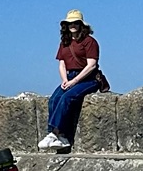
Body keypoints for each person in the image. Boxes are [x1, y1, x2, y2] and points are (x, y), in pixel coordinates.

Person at [39, 13, 105, 150]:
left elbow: (91, 65)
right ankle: (61, 136)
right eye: (70, 23)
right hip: (69, 77)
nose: (73, 25)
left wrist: (74, 81)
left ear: (81, 25)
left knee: (68, 97)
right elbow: (62, 64)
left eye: (75, 23)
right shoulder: (65, 43)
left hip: (88, 78)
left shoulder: (89, 42)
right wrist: (65, 80)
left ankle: (54, 133)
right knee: (54, 99)